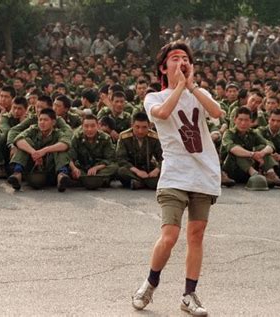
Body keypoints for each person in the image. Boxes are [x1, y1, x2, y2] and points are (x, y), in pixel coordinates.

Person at [131, 41, 223, 316]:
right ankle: (150, 283)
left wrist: (192, 86)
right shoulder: (153, 97)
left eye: (185, 58)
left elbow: (217, 113)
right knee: (170, 235)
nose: (181, 61)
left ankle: (189, 294)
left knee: (196, 235)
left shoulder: (199, 93)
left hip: (204, 173)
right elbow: (162, 114)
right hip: (174, 174)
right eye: (174, 58)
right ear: (163, 67)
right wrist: (180, 87)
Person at [7, 108, 71, 191]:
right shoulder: (33, 129)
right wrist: (34, 153)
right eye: (40, 120)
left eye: (45, 120)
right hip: (32, 168)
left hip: (51, 170)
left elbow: (65, 144)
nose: (42, 122)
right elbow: (18, 139)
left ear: (53, 122)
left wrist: (44, 151)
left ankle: (61, 176)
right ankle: (17, 174)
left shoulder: (58, 133)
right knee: (26, 143)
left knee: (59, 148)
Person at [68, 114, 118, 190]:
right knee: (69, 168)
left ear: (98, 126)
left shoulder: (105, 138)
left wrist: (96, 168)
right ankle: (99, 181)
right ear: (82, 126)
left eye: (93, 126)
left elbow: (110, 159)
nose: (89, 129)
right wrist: (74, 169)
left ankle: (85, 181)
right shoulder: (77, 137)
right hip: (83, 169)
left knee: (115, 167)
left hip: (99, 169)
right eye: (86, 126)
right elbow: (70, 157)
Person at [116, 112, 163, 189]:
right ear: (132, 125)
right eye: (137, 127)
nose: (140, 131)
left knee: (164, 172)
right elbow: (121, 159)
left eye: (144, 127)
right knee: (120, 171)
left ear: (150, 126)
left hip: (148, 170)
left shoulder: (154, 137)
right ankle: (146, 183)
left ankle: (139, 183)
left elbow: (163, 157)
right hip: (132, 169)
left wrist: (157, 170)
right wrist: (137, 171)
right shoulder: (124, 136)